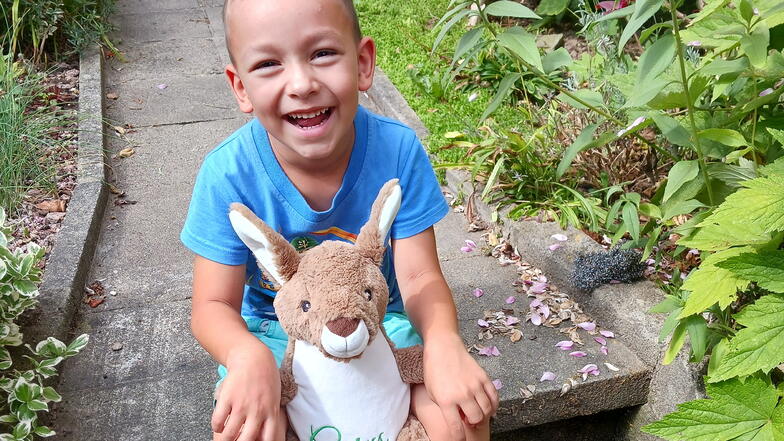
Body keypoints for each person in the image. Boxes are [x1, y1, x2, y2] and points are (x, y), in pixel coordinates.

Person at [180, 0, 499, 440]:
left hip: (379, 320)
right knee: (244, 432)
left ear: (363, 63)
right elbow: (212, 306)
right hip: (275, 329)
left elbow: (420, 276)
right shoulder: (227, 174)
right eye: (269, 63)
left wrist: (444, 343)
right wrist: (245, 356)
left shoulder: (398, 152)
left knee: (461, 420)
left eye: (322, 54)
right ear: (241, 87)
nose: (302, 83)